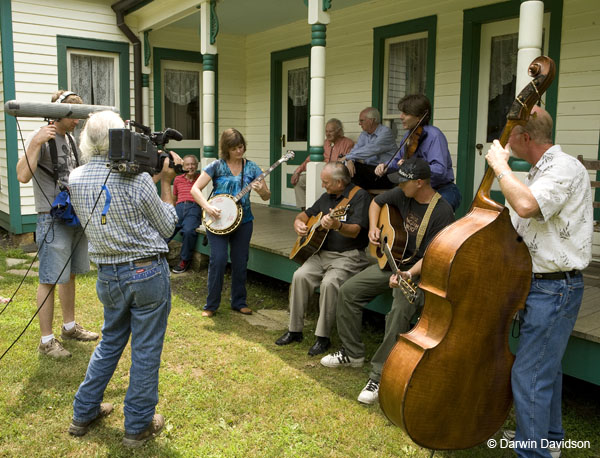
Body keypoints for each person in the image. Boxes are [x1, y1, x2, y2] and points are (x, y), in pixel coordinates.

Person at [67, 110, 180, 447]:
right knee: (145, 350)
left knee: (110, 340)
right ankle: (138, 425)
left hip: (108, 274)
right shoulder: (140, 180)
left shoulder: (75, 178)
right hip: (146, 271)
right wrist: (168, 184)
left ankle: (83, 411)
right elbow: (167, 225)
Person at [485, 106, 593, 458]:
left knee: (529, 374)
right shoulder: (539, 171)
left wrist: (500, 168)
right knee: (546, 367)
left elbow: (528, 206)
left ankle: (534, 452)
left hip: (555, 288)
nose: (505, 140)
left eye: (509, 134)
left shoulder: (563, 168)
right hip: (539, 284)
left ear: (524, 137)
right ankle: (550, 438)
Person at [320, 157, 454, 404]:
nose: (399, 186)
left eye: (404, 182)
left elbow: (434, 256)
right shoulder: (403, 194)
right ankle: (352, 353)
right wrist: (373, 227)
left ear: (420, 183)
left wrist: (408, 274)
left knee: (399, 310)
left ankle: (379, 375)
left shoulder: (442, 212)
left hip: (417, 273)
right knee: (348, 290)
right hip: (389, 263)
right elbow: (376, 203)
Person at [16, 90, 98, 359]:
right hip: (51, 218)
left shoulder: (71, 141)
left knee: (69, 274)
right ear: (58, 114)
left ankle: (69, 327)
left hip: (73, 216)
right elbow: (22, 176)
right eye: (73, 116)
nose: (78, 121)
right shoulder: (41, 137)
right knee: (49, 279)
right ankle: (46, 340)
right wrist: (35, 143)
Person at [275, 161, 371, 356]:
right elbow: (306, 214)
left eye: (326, 182)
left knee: (329, 283)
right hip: (320, 254)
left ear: (340, 182)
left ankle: (323, 337)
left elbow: (357, 231)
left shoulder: (360, 197)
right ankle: (294, 330)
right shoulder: (326, 197)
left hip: (348, 256)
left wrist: (338, 226)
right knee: (300, 276)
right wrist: (298, 223)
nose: (323, 186)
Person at [191, 128, 271, 317]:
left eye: (241, 147)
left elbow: (267, 196)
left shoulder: (252, 168)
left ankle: (239, 301)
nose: (239, 151)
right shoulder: (217, 166)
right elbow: (195, 189)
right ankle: (211, 305)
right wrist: (207, 207)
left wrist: (261, 191)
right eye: (234, 148)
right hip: (218, 220)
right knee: (218, 260)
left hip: (244, 222)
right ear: (226, 149)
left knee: (240, 261)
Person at [375, 94, 462, 211]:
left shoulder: (434, 135)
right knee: (386, 204)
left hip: (441, 189)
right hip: (416, 189)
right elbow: (399, 161)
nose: (401, 117)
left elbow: (440, 170)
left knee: (434, 214)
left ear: (419, 116)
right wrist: (386, 166)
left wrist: (413, 166)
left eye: (406, 113)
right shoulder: (408, 136)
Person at [291, 118, 354, 209]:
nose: (327, 134)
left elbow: (351, 157)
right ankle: (305, 211)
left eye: (331, 131)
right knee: (299, 181)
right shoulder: (324, 144)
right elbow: (309, 160)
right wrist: (297, 172)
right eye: (326, 131)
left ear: (339, 131)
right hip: (321, 174)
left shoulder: (347, 143)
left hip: (336, 176)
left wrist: (350, 160)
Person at [344, 107, 397, 190]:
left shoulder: (386, 132)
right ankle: (353, 198)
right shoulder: (364, 134)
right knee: (346, 167)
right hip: (370, 171)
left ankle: (357, 198)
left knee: (353, 170)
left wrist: (347, 157)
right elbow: (356, 150)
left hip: (384, 173)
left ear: (371, 120)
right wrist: (350, 160)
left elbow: (370, 150)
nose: (359, 124)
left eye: (362, 120)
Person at [170, 154, 202, 274]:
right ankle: (155, 255)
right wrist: (173, 211)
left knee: (189, 231)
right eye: (187, 164)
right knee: (167, 228)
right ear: (183, 166)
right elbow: (174, 197)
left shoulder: (200, 178)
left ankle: (184, 260)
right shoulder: (178, 179)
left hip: (193, 207)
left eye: (193, 164)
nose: (190, 167)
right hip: (179, 207)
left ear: (197, 165)